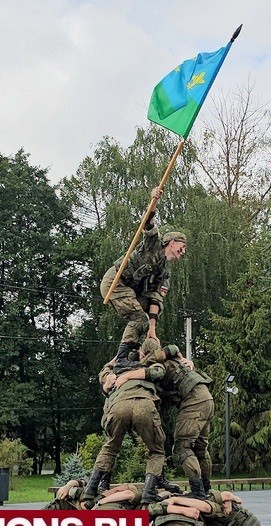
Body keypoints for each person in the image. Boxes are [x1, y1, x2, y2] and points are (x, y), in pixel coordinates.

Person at [99, 186, 187, 366]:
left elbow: (155, 300)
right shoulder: (153, 244)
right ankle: (122, 358)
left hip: (131, 290)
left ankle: (135, 349)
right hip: (116, 282)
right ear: (171, 243)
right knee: (139, 318)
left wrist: (152, 330)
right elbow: (147, 223)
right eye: (182, 247)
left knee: (146, 312)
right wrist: (153, 200)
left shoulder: (164, 272)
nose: (183, 252)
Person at [115, 343, 214, 500]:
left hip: (194, 402)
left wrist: (126, 376)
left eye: (141, 354)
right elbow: (173, 349)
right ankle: (206, 489)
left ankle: (198, 491)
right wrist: (184, 358)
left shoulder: (160, 363)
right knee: (200, 448)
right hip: (206, 398)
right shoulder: (174, 358)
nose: (140, 357)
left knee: (183, 446)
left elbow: (155, 372)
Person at [82, 357, 178, 506]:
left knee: (110, 448)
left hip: (119, 406)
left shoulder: (114, 372)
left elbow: (104, 370)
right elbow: (159, 371)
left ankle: (90, 489)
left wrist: (114, 361)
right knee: (156, 450)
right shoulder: (149, 366)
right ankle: (148, 493)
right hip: (143, 404)